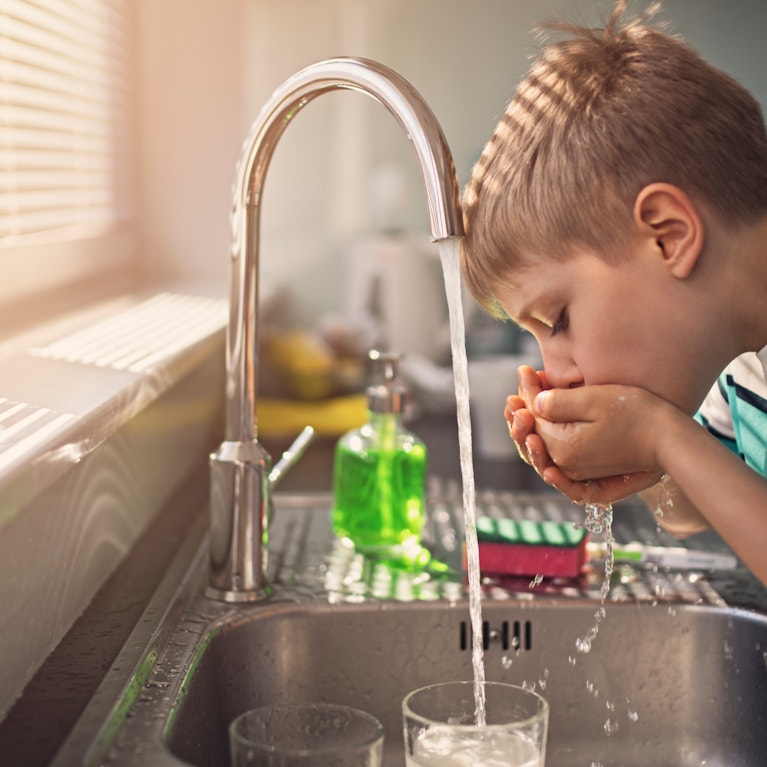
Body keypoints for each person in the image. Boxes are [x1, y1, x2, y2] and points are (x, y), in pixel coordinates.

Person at [459, 0, 767, 586]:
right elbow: (708, 510)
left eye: (558, 319)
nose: (557, 372)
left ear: (668, 235)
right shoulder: (734, 360)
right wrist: (642, 462)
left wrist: (662, 436)